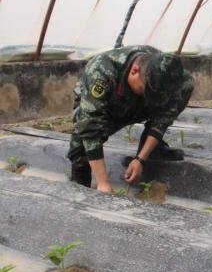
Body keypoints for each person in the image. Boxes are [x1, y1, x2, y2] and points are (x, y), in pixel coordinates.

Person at [67, 45, 194, 193]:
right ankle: (80, 189)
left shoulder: (167, 74)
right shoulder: (103, 70)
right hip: (109, 107)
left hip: (138, 106)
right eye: (146, 91)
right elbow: (90, 126)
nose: (152, 100)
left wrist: (140, 159)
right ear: (134, 71)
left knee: (186, 85)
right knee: (80, 150)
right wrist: (103, 183)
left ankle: (153, 149)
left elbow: (163, 117)